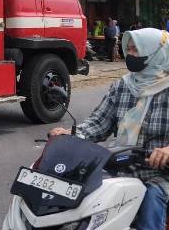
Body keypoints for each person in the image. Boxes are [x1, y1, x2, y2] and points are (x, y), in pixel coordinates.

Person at [50, 28, 169, 230]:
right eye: (128, 49)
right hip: (121, 166)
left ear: (156, 53)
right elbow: (98, 123)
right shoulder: (123, 86)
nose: (129, 54)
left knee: (152, 199)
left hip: (160, 174)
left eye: (136, 50)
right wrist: (71, 134)